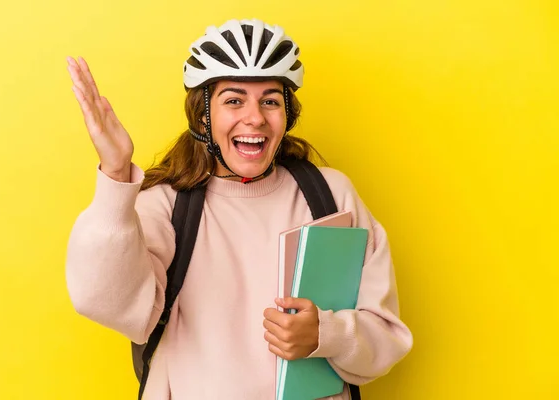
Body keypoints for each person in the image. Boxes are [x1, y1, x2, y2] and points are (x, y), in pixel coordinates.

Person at [65, 18, 413, 400]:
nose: (255, 117)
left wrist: (324, 335)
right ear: (204, 116)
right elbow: (105, 301)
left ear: (287, 115)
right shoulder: (167, 204)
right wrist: (116, 173)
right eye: (234, 100)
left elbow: (386, 335)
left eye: (270, 101)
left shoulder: (330, 195)